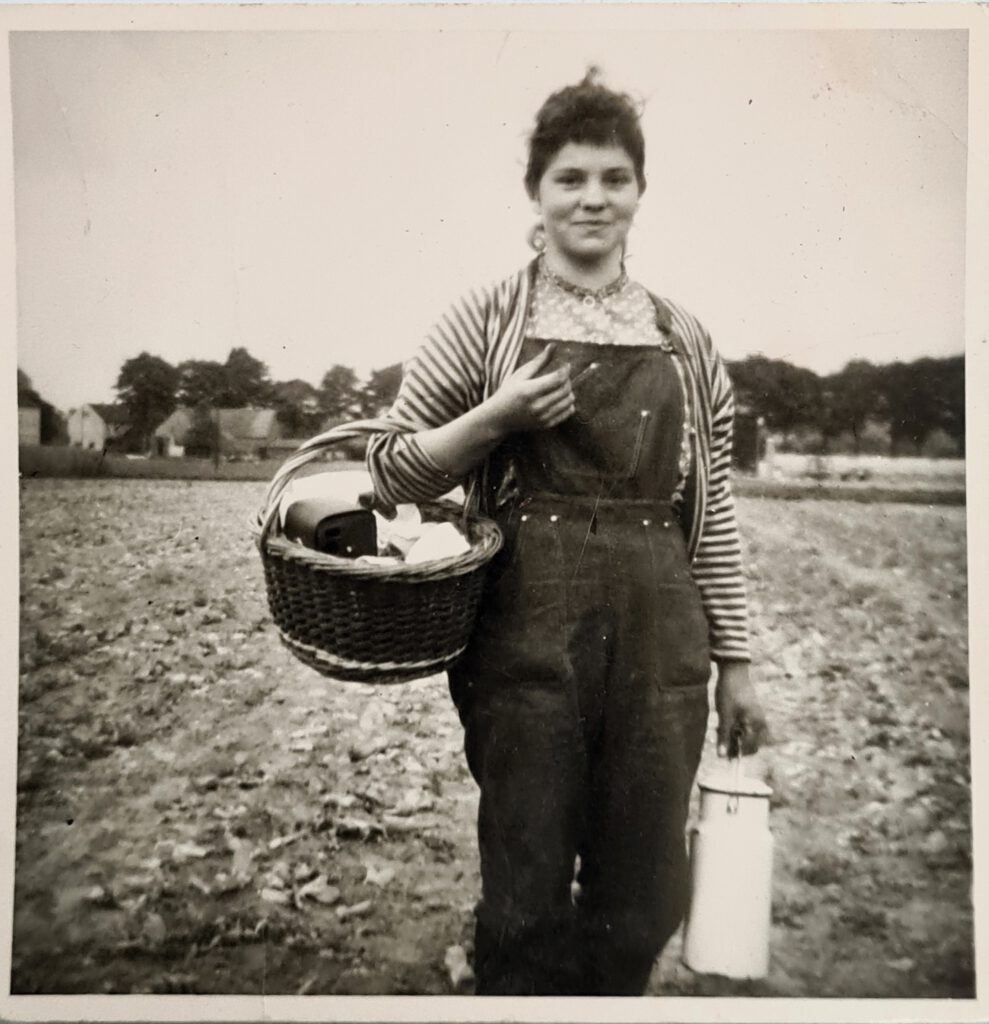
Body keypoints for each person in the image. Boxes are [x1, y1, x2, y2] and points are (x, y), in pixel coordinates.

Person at [366, 68, 768, 996]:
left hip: (661, 641)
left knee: (646, 889)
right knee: (527, 886)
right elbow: (389, 469)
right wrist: (494, 417)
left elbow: (711, 515)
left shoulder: (686, 338)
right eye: (571, 178)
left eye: (614, 178)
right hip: (526, 637)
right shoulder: (484, 319)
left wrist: (738, 662)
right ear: (535, 193)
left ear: (639, 190)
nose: (593, 198)